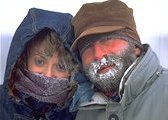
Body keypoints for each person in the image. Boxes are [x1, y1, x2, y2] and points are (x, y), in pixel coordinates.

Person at [71, 0, 168, 120]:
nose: (97, 54)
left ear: (136, 46)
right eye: (87, 47)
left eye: (107, 39)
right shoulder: (82, 111)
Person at [0, 8, 79, 120]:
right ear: (23, 60)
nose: (48, 74)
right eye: (40, 62)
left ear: (73, 72)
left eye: (61, 66)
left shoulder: (81, 112)